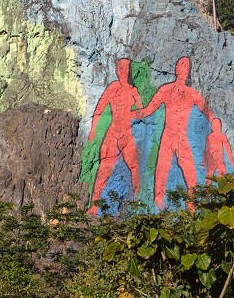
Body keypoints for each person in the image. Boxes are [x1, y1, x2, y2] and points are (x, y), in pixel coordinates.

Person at [133, 56, 211, 207]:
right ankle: (158, 202)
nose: (183, 69)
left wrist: (214, 122)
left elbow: (206, 110)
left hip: (182, 137)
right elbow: (149, 109)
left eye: (186, 66)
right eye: (181, 65)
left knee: (190, 173)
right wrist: (131, 115)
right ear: (176, 69)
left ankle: (192, 204)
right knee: (161, 170)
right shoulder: (166, 90)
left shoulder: (192, 93)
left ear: (188, 71)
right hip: (168, 135)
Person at [88, 58, 144, 212]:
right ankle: (94, 207)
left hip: (126, 133)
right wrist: (93, 130)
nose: (124, 71)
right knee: (104, 168)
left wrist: (134, 111)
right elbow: (99, 109)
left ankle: (136, 202)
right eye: (121, 67)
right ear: (117, 70)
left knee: (134, 167)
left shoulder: (133, 91)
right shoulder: (112, 88)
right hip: (112, 133)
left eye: (126, 68)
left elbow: (141, 112)